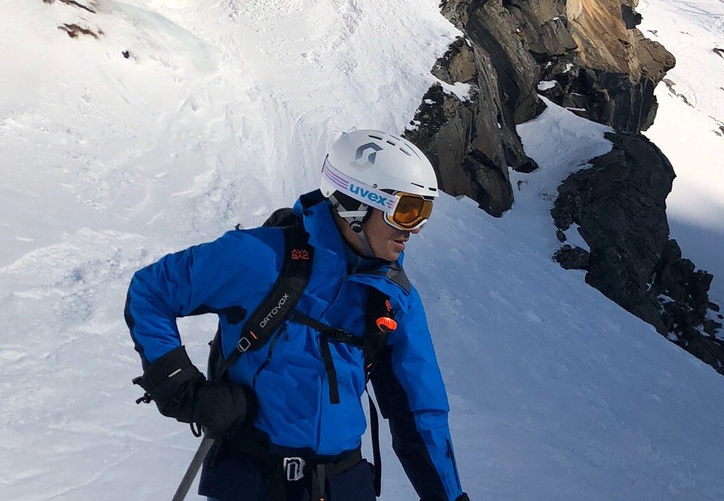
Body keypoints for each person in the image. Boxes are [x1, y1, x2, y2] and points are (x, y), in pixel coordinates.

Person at [126, 129, 470, 501]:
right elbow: (152, 290)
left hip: (344, 485)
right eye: (406, 210)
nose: (416, 228)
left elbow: (421, 414)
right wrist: (181, 389)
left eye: (424, 212)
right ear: (356, 203)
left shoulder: (391, 297)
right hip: (253, 482)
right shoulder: (260, 258)